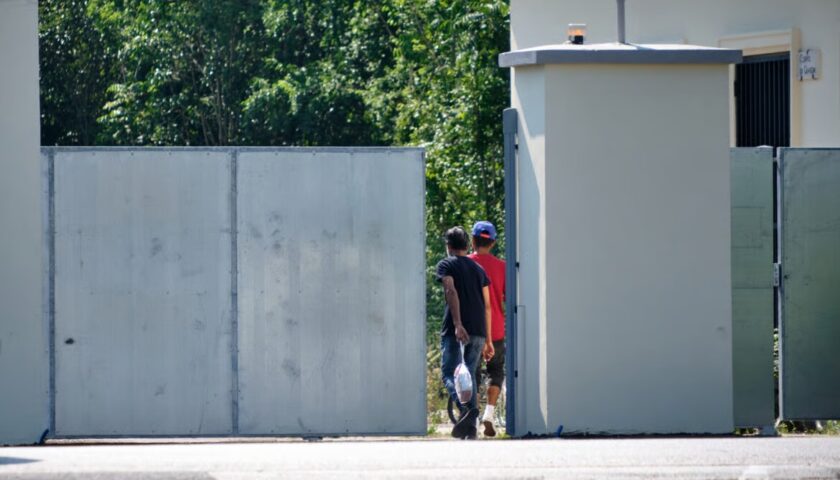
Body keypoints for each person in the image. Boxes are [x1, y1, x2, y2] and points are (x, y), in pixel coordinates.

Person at [436, 226, 494, 440]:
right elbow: (487, 305)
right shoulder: (479, 269)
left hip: (456, 330)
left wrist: (458, 323)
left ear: (448, 246)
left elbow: (450, 290)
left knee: (450, 372)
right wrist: (488, 339)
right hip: (479, 329)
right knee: (469, 374)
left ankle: (469, 409)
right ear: (467, 245)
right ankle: (470, 427)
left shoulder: (446, 264)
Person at [468, 220, 506, 437]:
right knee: (496, 372)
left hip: (472, 328)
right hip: (497, 329)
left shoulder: (465, 264)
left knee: (470, 373)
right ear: (492, 243)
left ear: (473, 240)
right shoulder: (502, 266)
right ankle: (489, 414)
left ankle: (470, 418)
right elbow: (508, 297)